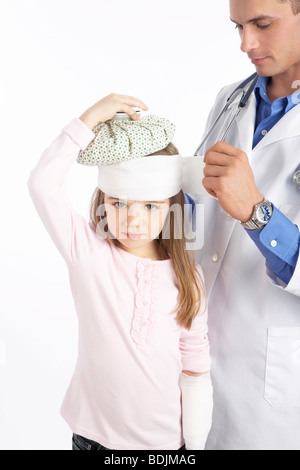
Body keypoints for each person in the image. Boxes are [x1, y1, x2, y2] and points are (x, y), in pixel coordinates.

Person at [27, 93, 213, 451]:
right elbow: (41, 185)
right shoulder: (87, 252)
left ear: (171, 205)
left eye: (150, 205)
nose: (132, 219)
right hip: (92, 438)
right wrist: (89, 119)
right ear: (103, 199)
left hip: (164, 444)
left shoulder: (189, 279)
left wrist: (195, 443)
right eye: (118, 203)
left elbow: (195, 368)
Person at [193, 0, 300, 450]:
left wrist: (258, 211)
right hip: (192, 360)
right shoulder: (230, 99)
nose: (245, 44)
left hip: (269, 381)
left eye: (261, 24)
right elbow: (202, 212)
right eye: (238, 26)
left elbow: (244, 208)